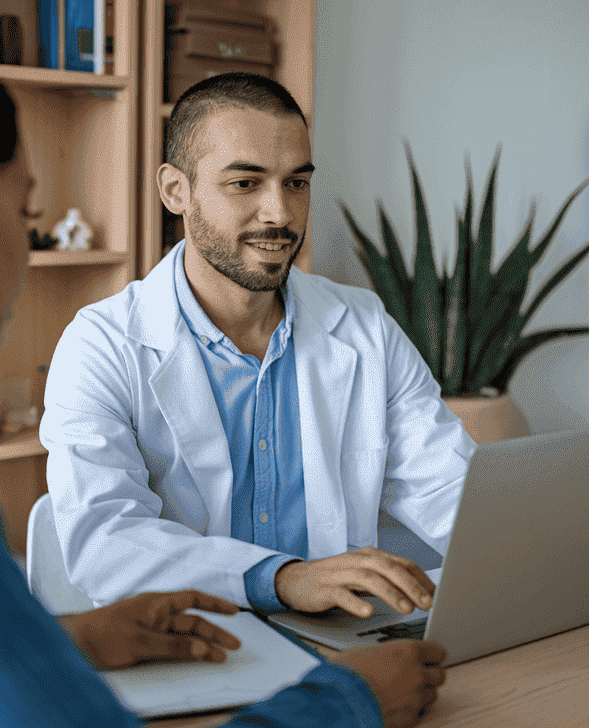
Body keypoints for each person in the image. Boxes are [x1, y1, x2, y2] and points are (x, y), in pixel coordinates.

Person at [0, 36, 446, 728]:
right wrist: (350, 704)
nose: (280, 213)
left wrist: (69, 637)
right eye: (28, 213)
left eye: (296, 182)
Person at [41, 72, 476, 619]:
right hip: (200, 643)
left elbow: (453, 492)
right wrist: (283, 580)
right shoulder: (101, 344)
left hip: (343, 639)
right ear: (176, 191)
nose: (280, 213)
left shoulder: (363, 326)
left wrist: (532, 548)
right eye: (246, 184)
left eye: (296, 183)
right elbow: (105, 542)